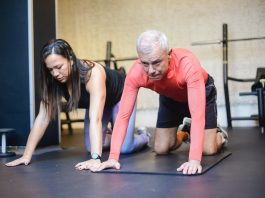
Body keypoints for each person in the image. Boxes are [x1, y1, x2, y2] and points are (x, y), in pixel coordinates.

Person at [96, 30, 228, 175]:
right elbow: (123, 116)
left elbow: (197, 115)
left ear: (169, 55)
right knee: (161, 148)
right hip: (170, 98)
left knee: (208, 150)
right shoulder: (136, 73)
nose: (151, 70)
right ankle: (185, 133)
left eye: (157, 62)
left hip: (201, 93)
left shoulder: (187, 64)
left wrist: (194, 160)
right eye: (145, 63)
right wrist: (113, 158)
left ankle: (220, 134)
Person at [5, 39, 150, 170]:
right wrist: (26, 155)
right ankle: (119, 134)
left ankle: (144, 135)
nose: (55, 73)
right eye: (50, 69)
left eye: (58, 66)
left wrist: (95, 159)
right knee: (90, 146)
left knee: (124, 147)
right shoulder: (53, 82)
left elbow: (96, 119)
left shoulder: (92, 73)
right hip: (102, 103)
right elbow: (42, 118)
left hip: (120, 96)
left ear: (71, 59)